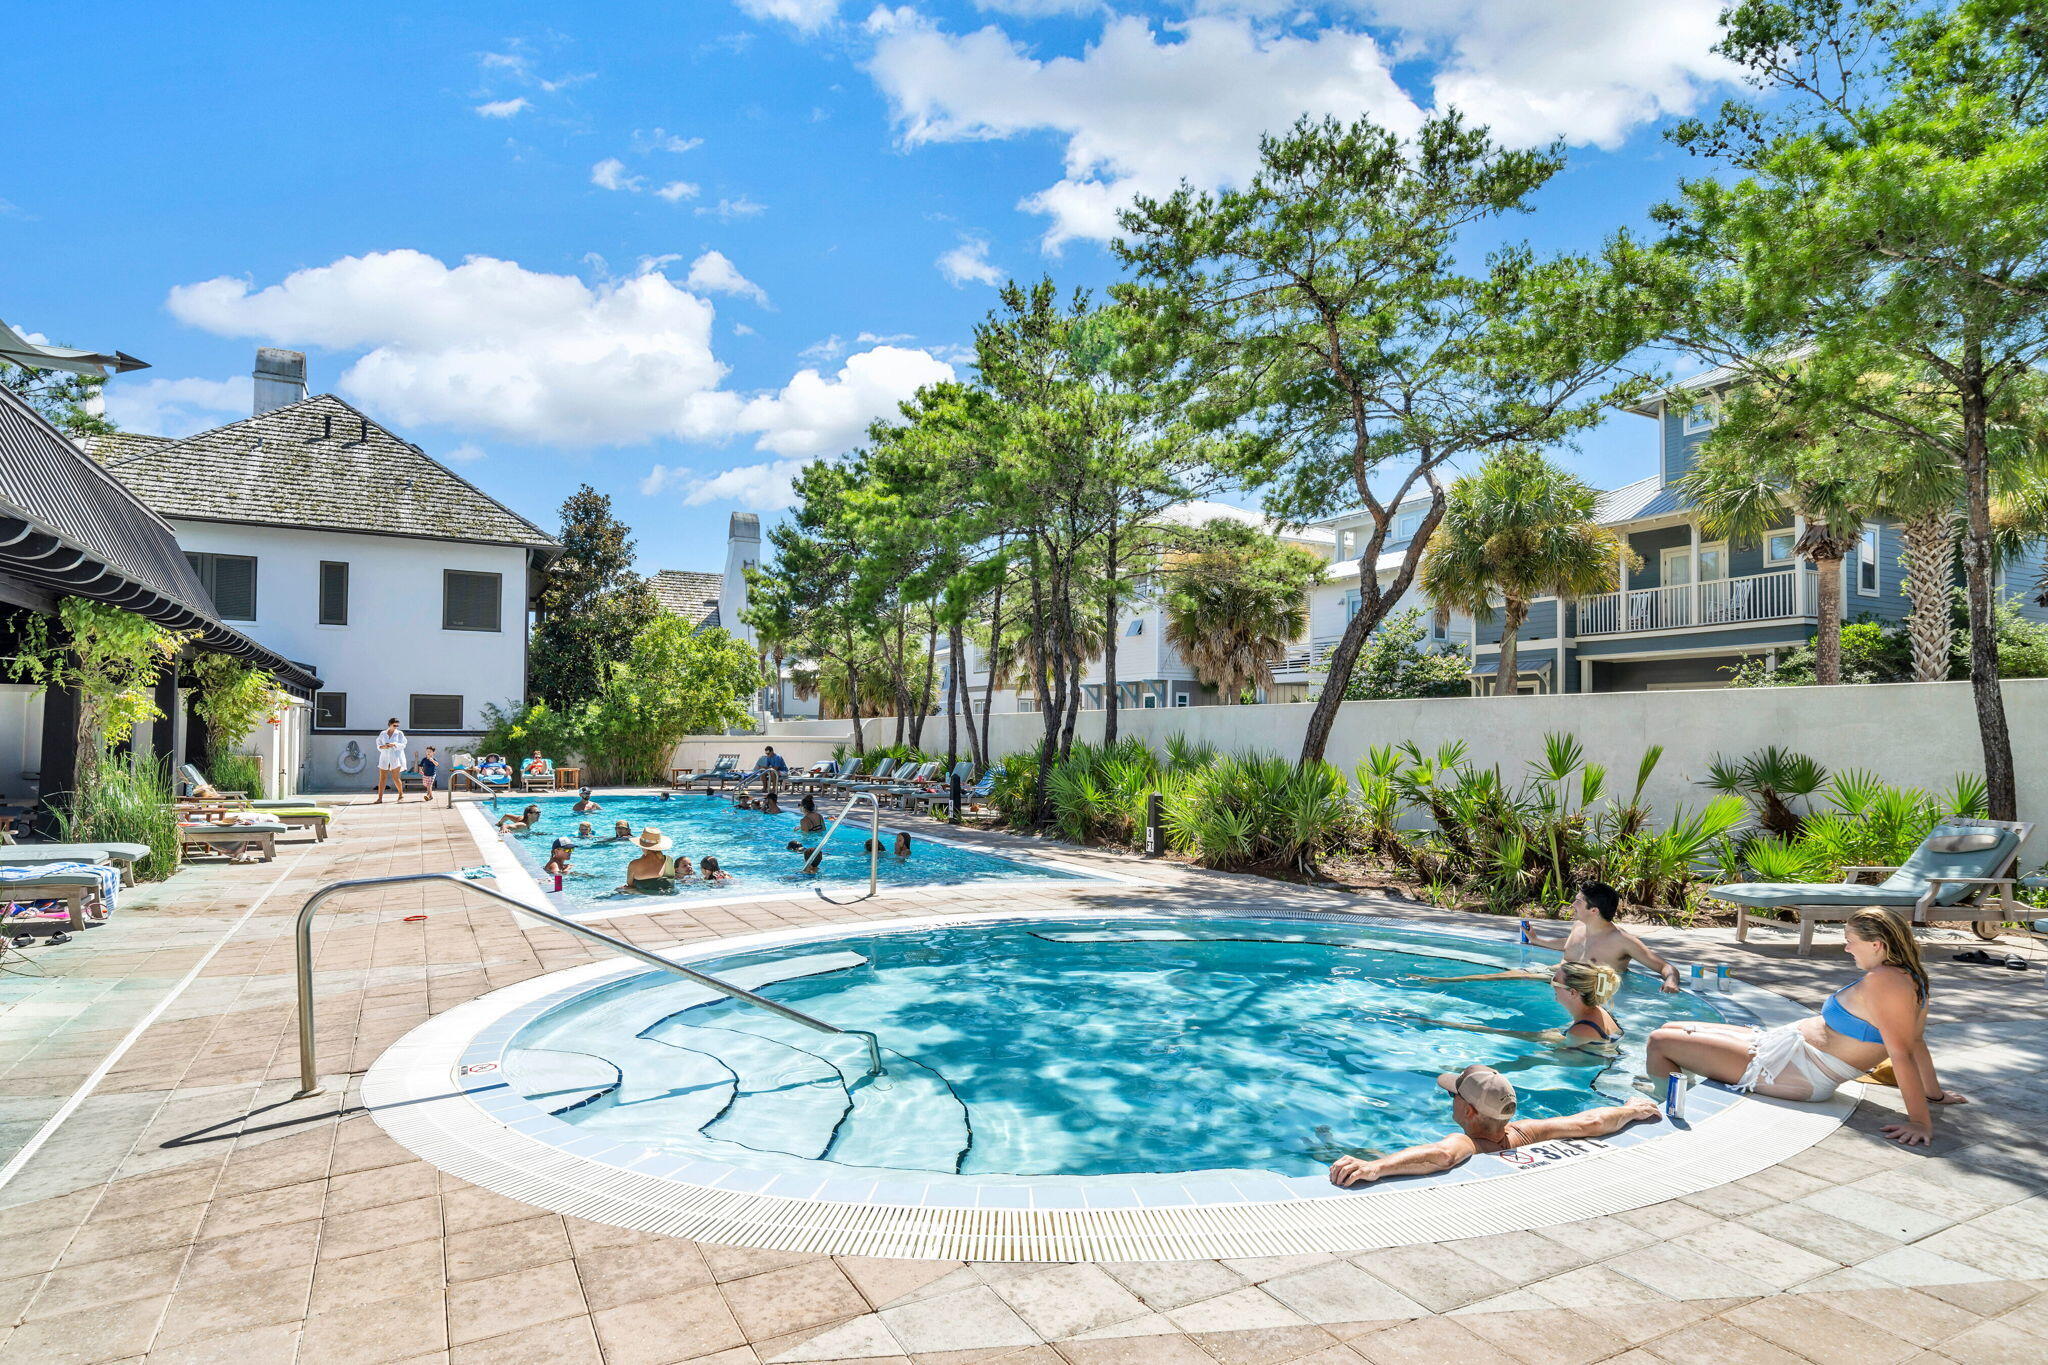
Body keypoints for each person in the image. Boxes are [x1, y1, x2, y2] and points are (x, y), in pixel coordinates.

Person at [1645, 909, 1964, 1145]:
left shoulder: (1884, 983)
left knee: (1659, 1041)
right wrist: (1933, 1096)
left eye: (1850, 942)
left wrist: (1921, 1122)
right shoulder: (1910, 974)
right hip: (1786, 1050)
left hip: (1793, 1071)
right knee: (1674, 1026)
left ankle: (1659, 1107)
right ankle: (1670, 1092)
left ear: (1877, 945)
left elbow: (1903, 1052)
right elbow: (1918, 1040)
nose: (1847, 948)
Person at [1328, 1064, 1660, 1187]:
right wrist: (1630, 1110)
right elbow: (1591, 1121)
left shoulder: (1469, 1144)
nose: (1450, 1100)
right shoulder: (1525, 1131)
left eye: (1453, 1096)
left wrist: (1375, 1167)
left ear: (1469, 1111)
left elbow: (1441, 1155)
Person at [1420, 882, 1681, 994]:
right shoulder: (1579, 927)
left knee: (1516, 977)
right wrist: (1539, 941)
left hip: (1589, 991)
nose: (1572, 904)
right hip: (1558, 977)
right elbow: (1569, 948)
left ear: (1594, 910)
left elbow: (1665, 967)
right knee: (1512, 974)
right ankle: (1447, 981)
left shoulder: (1623, 941)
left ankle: (1443, 981)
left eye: (1578, 901)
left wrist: (1671, 982)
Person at [617, 829, 675, 894]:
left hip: (646, 896)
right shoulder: (669, 860)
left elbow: (630, 884)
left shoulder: (634, 864)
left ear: (642, 846)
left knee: (619, 890)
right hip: (670, 894)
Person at [373, 718, 407, 804]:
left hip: (395, 758)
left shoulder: (399, 733)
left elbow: (403, 744)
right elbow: (378, 744)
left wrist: (394, 744)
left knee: (395, 778)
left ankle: (401, 795)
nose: (396, 727)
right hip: (384, 757)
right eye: (394, 725)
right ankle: (379, 798)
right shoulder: (383, 733)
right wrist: (383, 747)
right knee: (382, 778)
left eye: (397, 726)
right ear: (390, 724)